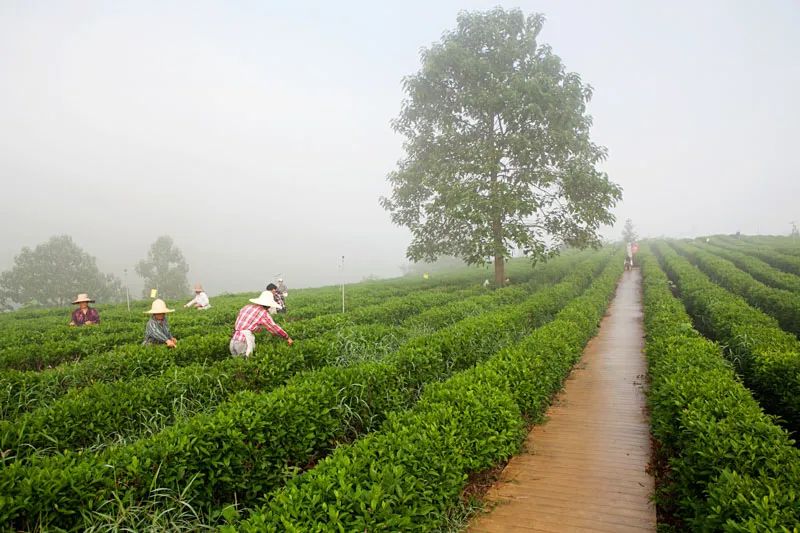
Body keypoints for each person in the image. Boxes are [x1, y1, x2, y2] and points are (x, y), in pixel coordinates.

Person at [230, 291, 293, 357]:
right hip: (243, 342)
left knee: (237, 363)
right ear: (269, 306)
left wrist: (258, 328)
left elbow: (242, 324)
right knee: (246, 363)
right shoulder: (263, 313)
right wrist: (287, 337)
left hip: (233, 340)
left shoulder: (247, 307)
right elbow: (274, 327)